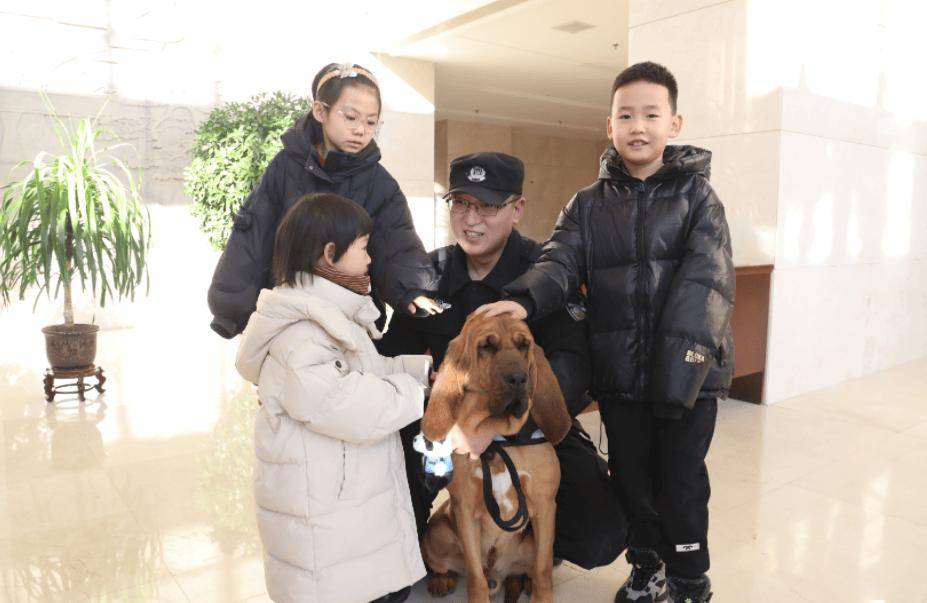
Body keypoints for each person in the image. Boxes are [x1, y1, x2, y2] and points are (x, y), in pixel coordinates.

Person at [479, 62, 735, 603]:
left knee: (681, 484)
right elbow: (558, 261)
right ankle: (646, 565)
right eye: (626, 115)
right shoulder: (587, 205)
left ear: (674, 123)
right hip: (621, 377)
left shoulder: (698, 199)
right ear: (610, 125)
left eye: (651, 115)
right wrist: (525, 299)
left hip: (688, 380)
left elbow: (705, 287)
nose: (637, 126)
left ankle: (689, 580)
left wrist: (679, 376)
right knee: (632, 481)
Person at [377, 152, 628, 571]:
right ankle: (403, 552)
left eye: (488, 205)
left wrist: (497, 428)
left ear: (517, 209)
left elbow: (573, 366)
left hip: (531, 423)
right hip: (450, 426)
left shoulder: (544, 274)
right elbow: (392, 356)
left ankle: (528, 542)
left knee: (600, 534)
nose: (471, 219)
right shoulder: (430, 274)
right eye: (461, 203)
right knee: (391, 467)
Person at [235, 193, 431, 603]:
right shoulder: (302, 335)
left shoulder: (331, 317)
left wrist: (423, 373)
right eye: (363, 248)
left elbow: (367, 372)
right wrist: (421, 395)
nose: (371, 259)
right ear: (329, 254)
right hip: (324, 525)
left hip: (339, 511)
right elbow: (350, 406)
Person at [208, 62, 442, 339]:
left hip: (348, 321)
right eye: (351, 117)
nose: (361, 130)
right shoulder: (285, 166)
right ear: (320, 111)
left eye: (371, 121)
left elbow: (397, 241)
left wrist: (412, 289)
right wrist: (231, 309)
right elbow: (253, 233)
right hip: (287, 315)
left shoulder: (380, 184)